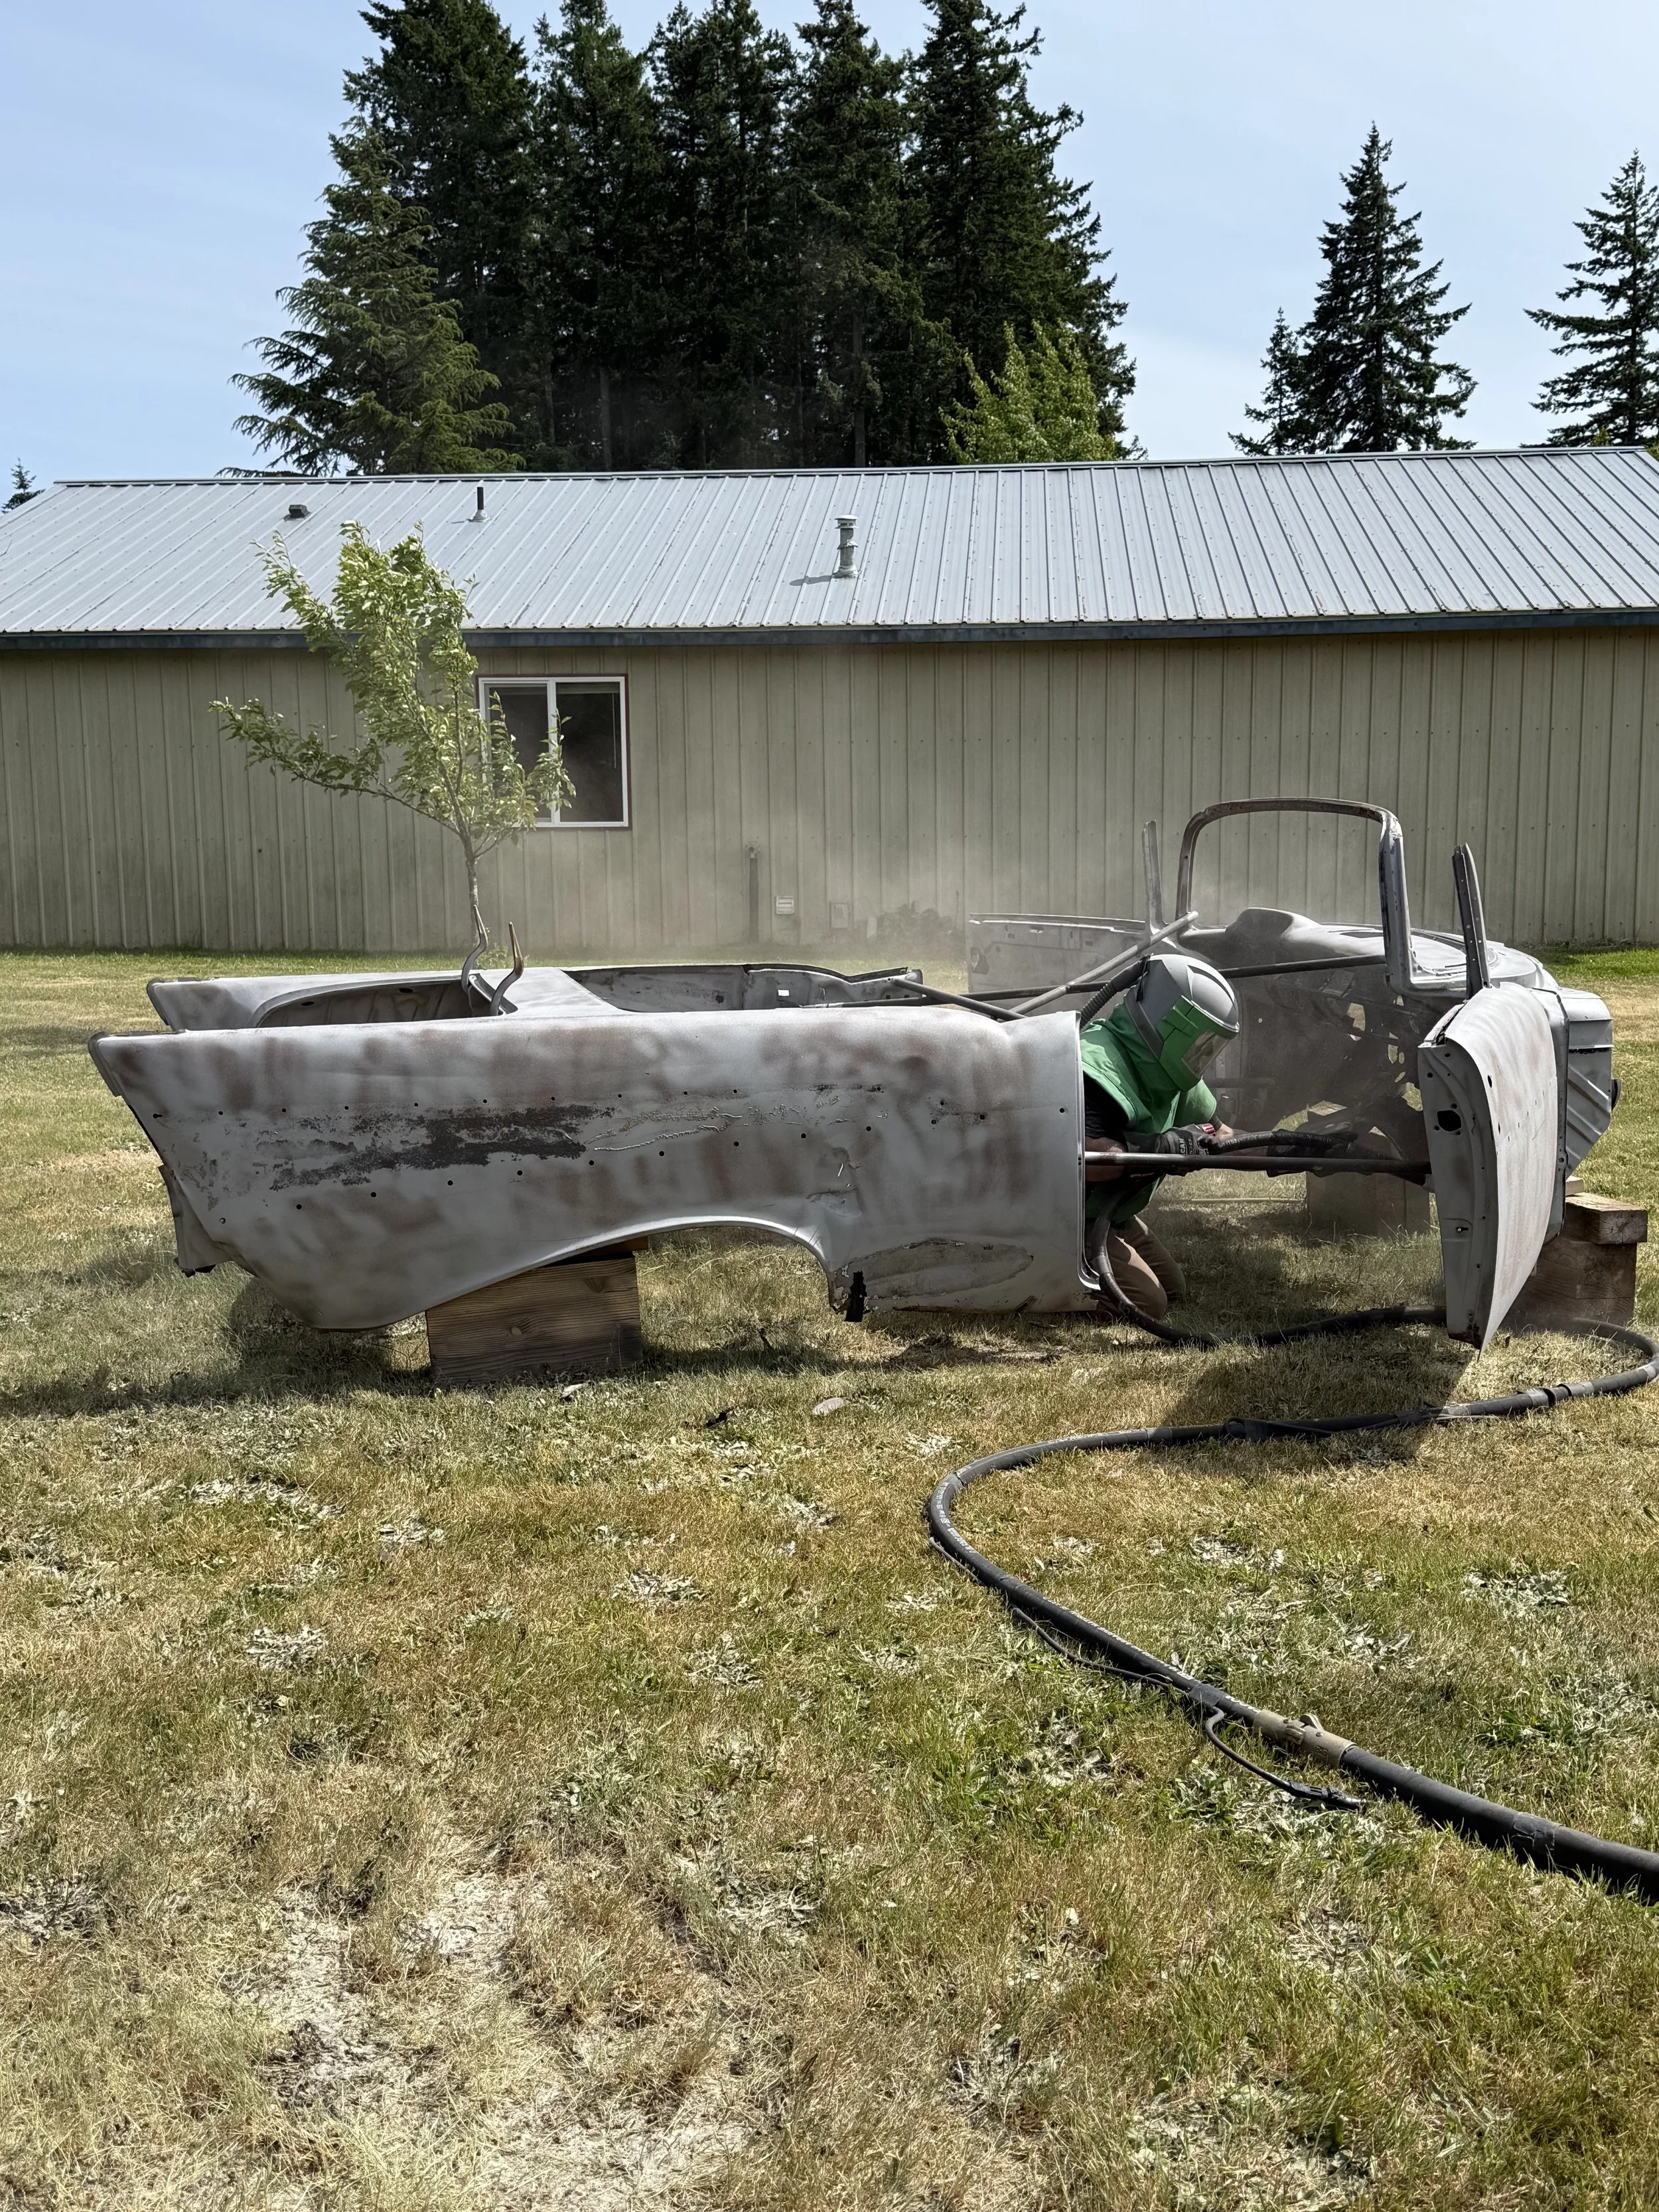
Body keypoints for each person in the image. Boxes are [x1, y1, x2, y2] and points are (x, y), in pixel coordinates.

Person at [1081, 953, 1240, 1320]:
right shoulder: (1099, 1066)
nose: (1204, 1053)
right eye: (1201, 1040)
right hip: (1069, 1215)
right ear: (1173, 1025)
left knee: (1173, 1287)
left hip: (1112, 1210)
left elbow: (1223, 1133)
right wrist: (1163, 1147)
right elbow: (1084, 1158)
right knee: (1150, 1303)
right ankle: (1056, 1282)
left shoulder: (1170, 1068)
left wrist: (1289, 1145)